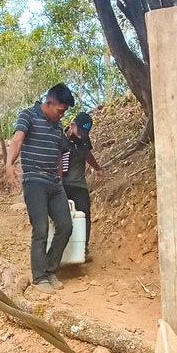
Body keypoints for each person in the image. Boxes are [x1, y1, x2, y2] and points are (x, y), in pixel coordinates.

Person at [5, 83, 74, 293]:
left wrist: (60, 178)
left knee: (66, 225)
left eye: (64, 112)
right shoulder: (28, 115)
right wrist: (9, 164)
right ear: (49, 102)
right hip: (34, 181)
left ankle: (50, 270)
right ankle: (39, 276)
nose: (61, 115)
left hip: (54, 183)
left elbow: (61, 153)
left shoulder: (57, 128)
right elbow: (17, 140)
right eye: (60, 110)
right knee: (41, 228)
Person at [62, 110, 104, 263]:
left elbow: (87, 155)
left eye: (84, 134)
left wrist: (97, 168)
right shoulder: (61, 138)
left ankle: (82, 249)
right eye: (80, 132)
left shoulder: (85, 140)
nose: (81, 136)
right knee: (62, 217)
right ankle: (62, 252)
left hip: (79, 185)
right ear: (72, 125)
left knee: (84, 215)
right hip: (62, 185)